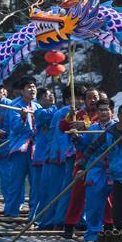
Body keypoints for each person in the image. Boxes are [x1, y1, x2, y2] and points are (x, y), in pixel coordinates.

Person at [73, 99, 117, 242]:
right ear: (97, 113)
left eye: (106, 109)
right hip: (95, 170)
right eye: (101, 110)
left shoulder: (119, 128)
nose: (103, 112)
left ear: (112, 111)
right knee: (93, 205)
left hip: (115, 170)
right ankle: (93, 233)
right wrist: (76, 138)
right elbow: (84, 147)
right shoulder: (92, 128)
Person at [60, 86, 99, 238]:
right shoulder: (78, 114)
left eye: (95, 97)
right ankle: (69, 226)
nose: (93, 100)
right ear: (85, 100)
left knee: (104, 195)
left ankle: (106, 225)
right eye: (89, 98)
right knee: (77, 194)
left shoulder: (102, 114)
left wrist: (87, 126)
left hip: (101, 161)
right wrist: (70, 116)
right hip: (82, 159)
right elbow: (63, 127)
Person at [1, 76, 41, 217]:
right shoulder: (14, 106)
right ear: (22, 91)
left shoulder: (38, 106)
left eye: (34, 87)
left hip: (36, 149)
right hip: (20, 148)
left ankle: (34, 212)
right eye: (29, 87)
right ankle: (12, 211)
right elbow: (16, 128)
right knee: (16, 181)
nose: (32, 89)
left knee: (36, 182)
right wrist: (23, 117)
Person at [37, 85, 75, 229]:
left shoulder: (72, 112)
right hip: (60, 156)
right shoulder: (63, 112)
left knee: (55, 190)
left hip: (59, 155)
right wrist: (68, 154)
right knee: (57, 190)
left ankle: (53, 220)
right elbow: (61, 137)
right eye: (75, 98)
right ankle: (53, 221)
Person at [29, 87, 56, 220]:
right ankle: (33, 216)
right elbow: (48, 115)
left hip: (52, 154)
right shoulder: (39, 112)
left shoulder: (56, 111)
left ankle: (44, 216)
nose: (50, 97)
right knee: (37, 188)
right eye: (46, 96)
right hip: (40, 155)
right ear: (39, 100)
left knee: (49, 188)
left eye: (51, 95)